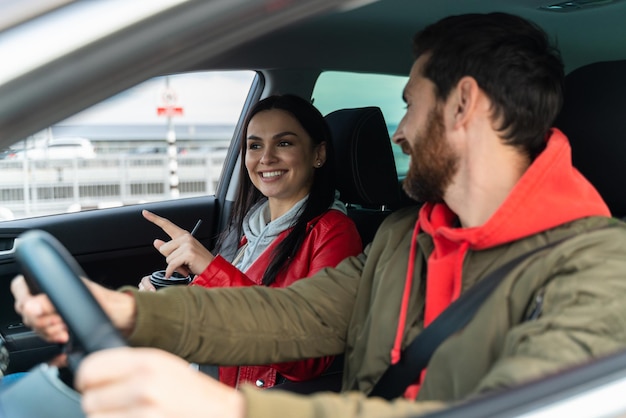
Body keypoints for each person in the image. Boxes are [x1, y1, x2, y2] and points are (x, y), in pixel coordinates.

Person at [12, 12, 626, 418]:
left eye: (409, 106)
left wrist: (225, 409)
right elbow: (292, 312)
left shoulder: (602, 268)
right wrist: (129, 310)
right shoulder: (403, 235)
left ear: (463, 104)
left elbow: (501, 409)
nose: (401, 132)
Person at [137, 94, 363, 389]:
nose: (266, 158)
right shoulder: (247, 227)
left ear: (318, 154)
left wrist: (211, 271)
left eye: (284, 143)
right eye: (255, 145)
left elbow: (311, 352)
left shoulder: (334, 233)